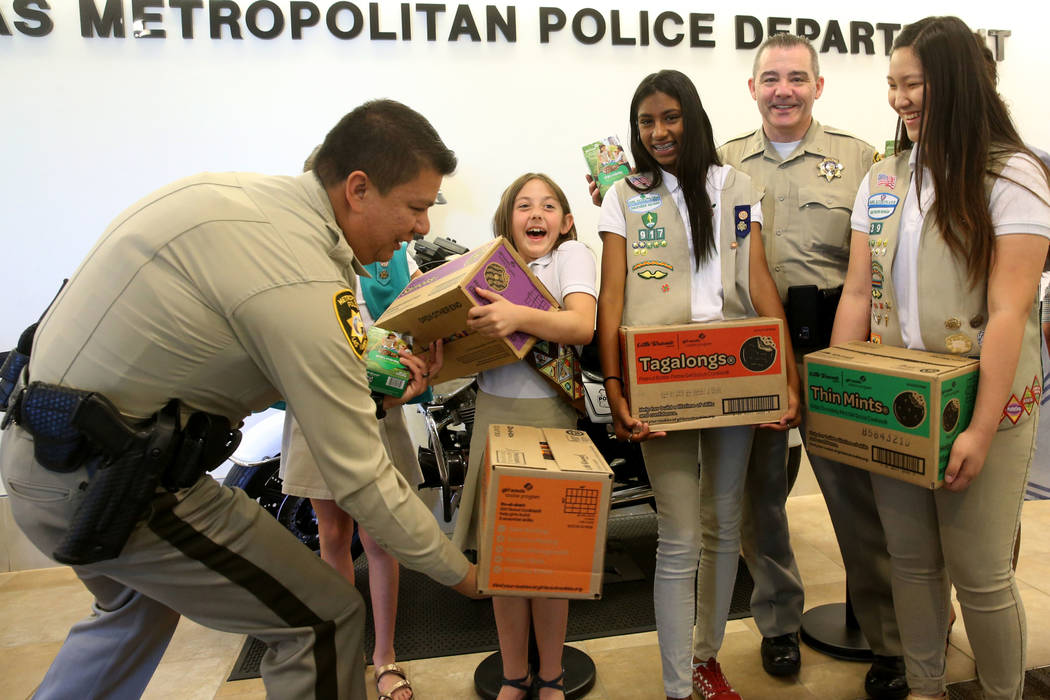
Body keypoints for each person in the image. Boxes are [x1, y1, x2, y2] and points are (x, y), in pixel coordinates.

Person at [0, 99, 479, 700]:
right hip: (113, 480)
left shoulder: (252, 206)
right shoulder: (294, 267)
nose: (423, 228)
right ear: (358, 188)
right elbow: (357, 475)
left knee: (135, 611)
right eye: (416, 207)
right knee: (323, 619)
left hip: (53, 456)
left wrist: (379, 391)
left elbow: (305, 359)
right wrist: (465, 577)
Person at [834, 15, 1050, 699]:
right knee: (911, 564)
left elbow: (1011, 311)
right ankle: (925, 689)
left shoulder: (1011, 173)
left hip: (986, 402)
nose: (899, 99)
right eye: (893, 85)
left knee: (981, 571)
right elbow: (857, 291)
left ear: (953, 82)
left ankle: (1003, 692)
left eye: (913, 84)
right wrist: (843, 392)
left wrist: (981, 430)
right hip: (903, 404)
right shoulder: (884, 177)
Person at [595, 69, 799, 700]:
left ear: (694, 117)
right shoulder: (624, 196)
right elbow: (612, 299)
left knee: (723, 528)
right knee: (679, 535)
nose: (658, 132)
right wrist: (615, 382)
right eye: (646, 122)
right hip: (663, 380)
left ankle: (707, 658)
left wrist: (785, 378)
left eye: (670, 117)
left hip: (734, 372)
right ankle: (677, 685)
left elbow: (759, 282)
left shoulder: (738, 187)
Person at [716, 33, 907, 697]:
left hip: (839, 346)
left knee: (859, 502)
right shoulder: (723, 165)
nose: (784, 90)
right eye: (771, 78)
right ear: (752, 88)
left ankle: (891, 642)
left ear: (818, 86)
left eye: (797, 77)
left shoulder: (863, 160)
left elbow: (887, 259)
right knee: (759, 499)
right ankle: (776, 625)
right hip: (756, 351)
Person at [279, 148, 430, 700]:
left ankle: (385, 657)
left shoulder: (393, 251)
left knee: (383, 536)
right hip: (319, 406)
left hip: (380, 407)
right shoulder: (295, 254)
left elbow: (415, 309)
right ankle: (345, 652)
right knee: (334, 534)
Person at [451, 173, 597, 700]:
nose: (536, 214)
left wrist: (514, 315)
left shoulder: (571, 258)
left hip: (552, 418)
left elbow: (581, 327)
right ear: (506, 217)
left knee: (549, 558)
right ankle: (515, 674)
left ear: (567, 219)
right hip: (494, 415)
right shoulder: (486, 264)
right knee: (503, 561)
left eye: (549, 205)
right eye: (523, 205)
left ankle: (552, 675)